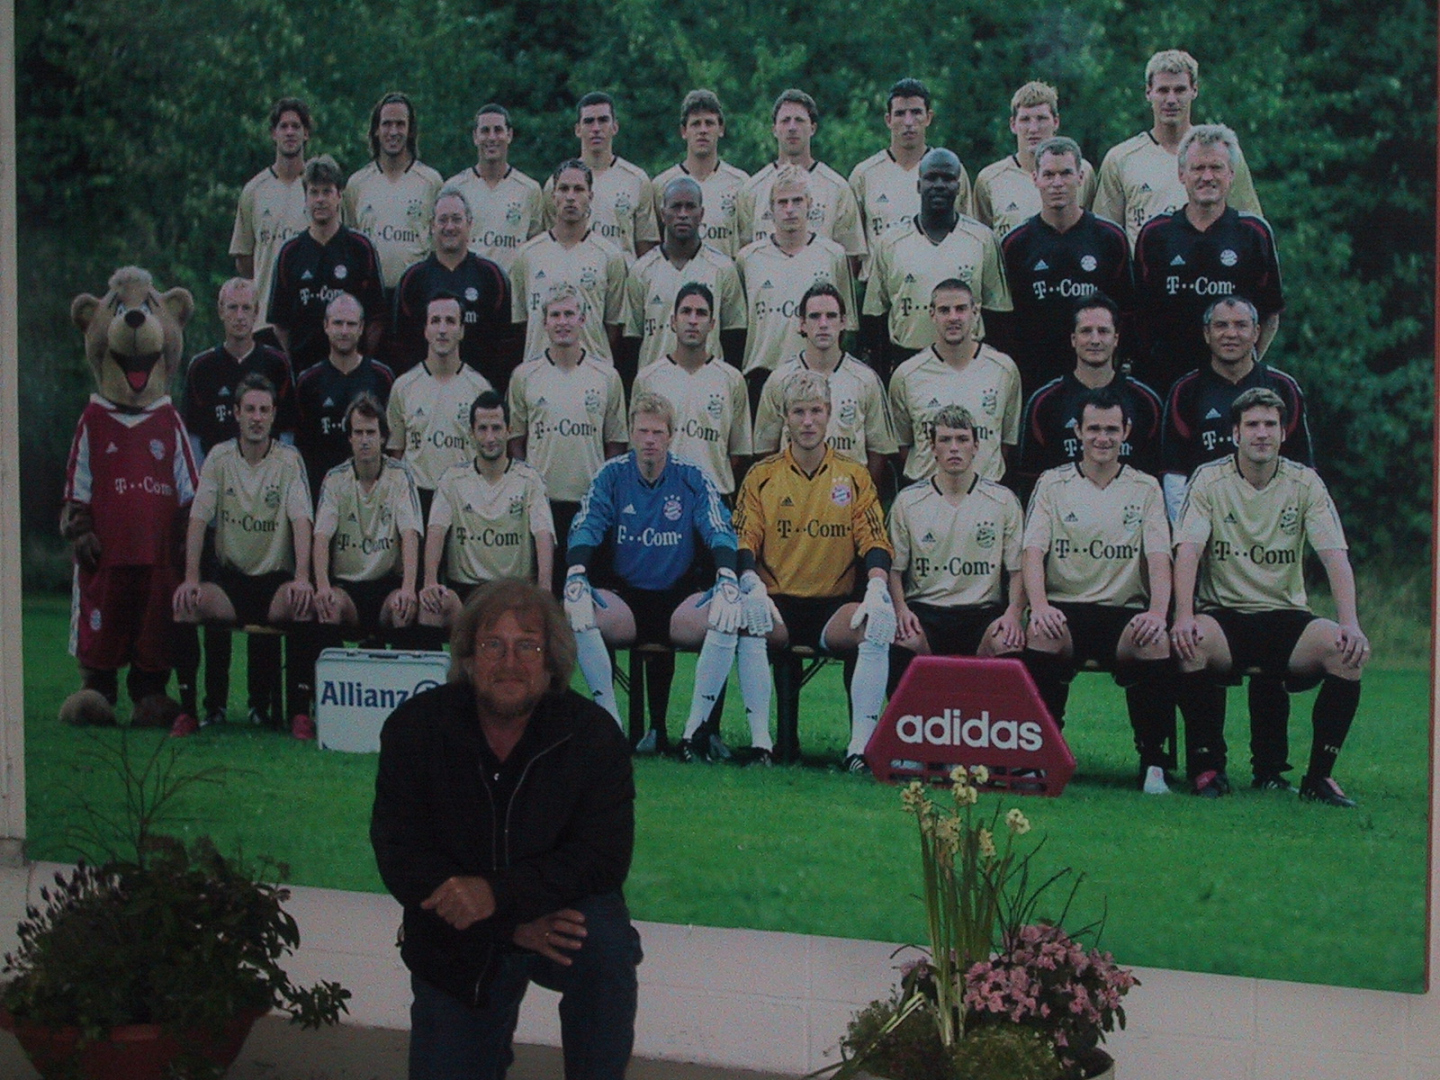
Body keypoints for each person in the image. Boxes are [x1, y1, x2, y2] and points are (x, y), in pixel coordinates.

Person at [371, 578, 640, 1080]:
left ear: (552, 660)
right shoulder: (416, 728)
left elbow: (603, 857)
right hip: (459, 932)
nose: (509, 662)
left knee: (605, 940)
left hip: (552, 916)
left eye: (527, 646)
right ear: (469, 658)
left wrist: (499, 895)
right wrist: (505, 924)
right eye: (493, 645)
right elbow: (400, 854)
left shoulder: (593, 736)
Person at [1170, 388, 1368, 807]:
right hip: (1224, 615)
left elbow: (1335, 557)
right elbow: (1187, 552)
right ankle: (1208, 767)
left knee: (1346, 653)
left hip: (1286, 615)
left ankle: (1319, 777)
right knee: (1191, 642)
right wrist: (1183, 615)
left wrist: (1350, 623)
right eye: (1253, 425)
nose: (1262, 433)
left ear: (1283, 432)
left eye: (1270, 425)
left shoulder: (1305, 482)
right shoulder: (1209, 479)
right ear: (1235, 433)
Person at [1160, 295, 1312, 790]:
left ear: (1256, 331)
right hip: (1204, 535)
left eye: (1241, 325)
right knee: (1198, 643)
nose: (1231, 333)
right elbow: (1173, 473)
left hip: (1268, 537)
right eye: (1221, 325)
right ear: (1207, 334)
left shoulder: (1283, 388)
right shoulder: (1186, 390)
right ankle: (1207, 762)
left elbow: (1303, 470)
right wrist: (1189, 536)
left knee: (1270, 647)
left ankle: (1270, 768)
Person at [563, 392, 749, 756]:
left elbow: (718, 526)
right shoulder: (611, 475)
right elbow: (587, 524)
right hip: (626, 599)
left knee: (726, 614)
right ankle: (609, 726)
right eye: (643, 431)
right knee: (578, 611)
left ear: (670, 435)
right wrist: (576, 573)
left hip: (679, 599)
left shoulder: (692, 476)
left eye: (658, 432)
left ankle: (695, 733)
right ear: (631, 433)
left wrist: (728, 574)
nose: (650, 440)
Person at [732, 370, 896, 771]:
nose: (807, 421)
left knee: (875, 625)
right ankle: (761, 745)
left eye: (816, 411)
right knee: (748, 621)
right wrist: (750, 583)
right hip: (776, 605)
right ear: (785, 417)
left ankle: (859, 750)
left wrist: (877, 588)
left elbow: (874, 538)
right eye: (799, 412)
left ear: (829, 413)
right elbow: (743, 538)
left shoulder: (854, 475)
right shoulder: (762, 476)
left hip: (832, 608)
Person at [1021, 390, 1176, 792]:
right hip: (1066, 608)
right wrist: (1039, 606)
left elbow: (1160, 558)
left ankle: (1153, 763)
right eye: (1094, 429)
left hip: (1123, 612)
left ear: (1126, 431)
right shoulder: (1052, 483)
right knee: (1041, 632)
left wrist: (1158, 613)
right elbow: (1032, 552)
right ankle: (1041, 755)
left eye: (1111, 429)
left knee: (1155, 640)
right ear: (1078, 431)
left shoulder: (1145, 488)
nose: (1102, 438)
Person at [171, 374, 317, 739]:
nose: (256, 418)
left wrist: (303, 577)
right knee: (185, 605)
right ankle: (188, 712)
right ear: (236, 413)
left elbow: (302, 521)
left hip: (274, 582)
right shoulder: (219, 458)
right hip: (230, 583)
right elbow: (198, 520)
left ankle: (300, 713)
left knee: (303, 605)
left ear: (273, 415)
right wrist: (191, 579)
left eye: (264, 410)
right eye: (249, 409)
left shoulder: (288, 460)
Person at [180, 277, 298, 727]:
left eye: (247, 308)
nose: (240, 316)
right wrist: (204, 495)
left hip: (265, 498)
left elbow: (288, 432)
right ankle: (212, 703)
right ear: (220, 311)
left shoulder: (276, 363)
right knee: (218, 602)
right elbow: (192, 437)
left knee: (265, 593)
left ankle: (259, 703)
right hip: (219, 494)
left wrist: (277, 487)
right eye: (232, 308)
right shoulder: (202, 367)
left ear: (256, 312)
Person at [1134, 123, 1284, 397]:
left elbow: (1271, 313)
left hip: (1233, 388)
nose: (1207, 177)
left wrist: (1246, 365)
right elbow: (1138, 314)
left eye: (1216, 168)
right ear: (1181, 174)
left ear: (1231, 174)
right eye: (1198, 168)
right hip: (1165, 384)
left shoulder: (1254, 233)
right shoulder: (1155, 235)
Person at [887, 405, 1025, 687]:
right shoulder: (908, 502)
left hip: (982, 612)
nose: (954, 448)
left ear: (976, 446)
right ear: (932, 448)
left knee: (1008, 641)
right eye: (945, 440)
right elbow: (894, 570)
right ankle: (912, 716)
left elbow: (1018, 571)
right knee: (902, 639)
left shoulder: (1003, 501)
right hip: (925, 609)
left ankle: (990, 716)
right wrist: (900, 610)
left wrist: (1013, 614)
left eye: (962, 439)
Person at [506, 284, 627, 593]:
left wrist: (603, 492)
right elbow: (516, 441)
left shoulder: (607, 377)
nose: (562, 322)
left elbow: (615, 443)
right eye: (555, 315)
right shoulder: (524, 376)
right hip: (542, 506)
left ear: (582, 320)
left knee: (587, 595)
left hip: (589, 505)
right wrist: (529, 487)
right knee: (543, 594)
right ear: (544, 323)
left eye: (569, 314)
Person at [862, 148, 1011, 382]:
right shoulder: (890, 242)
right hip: (907, 363)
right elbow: (876, 316)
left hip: (969, 365)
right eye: (931, 178)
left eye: (948, 178)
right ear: (918, 185)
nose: (939, 185)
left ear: (959, 186)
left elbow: (997, 313)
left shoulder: (982, 239)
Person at [1000, 136, 1133, 399]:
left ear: (1081, 177)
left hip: (1099, 380)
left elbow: (1128, 310)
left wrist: (1125, 361)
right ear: (1035, 178)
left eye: (1066, 173)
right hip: (1035, 377)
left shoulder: (1110, 238)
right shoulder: (1015, 244)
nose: (1057, 183)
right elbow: (1007, 322)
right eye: (1049, 175)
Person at [1092, 49, 1263, 248]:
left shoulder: (1222, 154)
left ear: (1194, 91)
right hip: (1146, 267)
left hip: (1213, 265)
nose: (1171, 100)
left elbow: (1252, 228)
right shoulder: (1121, 158)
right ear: (1148, 93)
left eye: (1180, 90)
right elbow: (1103, 237)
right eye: (1163, 90)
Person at [420, 391, 556, 629]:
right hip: (465, 591)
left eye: (496, 428)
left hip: (513, 591)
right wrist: (430, 581)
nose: (490, 437)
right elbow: (436, 530)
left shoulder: (529, 480)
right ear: (471, 433)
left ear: (509, 430)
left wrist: (545, 588)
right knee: (430, 609)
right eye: (482, 429)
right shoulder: (452, 480)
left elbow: (543, 534)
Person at [753, 282, 896, 489]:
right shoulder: (779, 379)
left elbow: (878, 450)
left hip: (847, 497)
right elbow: (765, 449)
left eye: (831, 316)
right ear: (802, 324)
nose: (823, 324)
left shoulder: (865, 379)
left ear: (843, 322)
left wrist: (861, 494)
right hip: (794, 495)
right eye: (814, 316)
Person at [735, 166, 856, 409]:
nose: (789, 209)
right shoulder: (748, 259)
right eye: (782, 202)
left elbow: (847, 324)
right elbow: (737, 329)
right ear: (771, 208)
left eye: (797, 201)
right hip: (763, 375)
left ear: (810, 204)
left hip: (818, 378)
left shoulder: (833, 255)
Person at [1017, 293, 1163, 486]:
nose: (1095, 340)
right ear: (1073, 339)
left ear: (1116, 338)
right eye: (1086, 331)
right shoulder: (1044, 403)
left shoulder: (1145, 402)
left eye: (1103, 331)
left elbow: (1157, 477)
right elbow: (1029, 479)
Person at [888, 279, 1022, 484]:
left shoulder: (1003, 370)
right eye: (944, 310)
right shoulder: (906, 375)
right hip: (926, 493)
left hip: (986, 492)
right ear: (932, 314)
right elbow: (903, 444)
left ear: (975, 312)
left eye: (961, 309)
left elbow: (1006, 442)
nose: (953, 317)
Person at [313, 393, 422, 635]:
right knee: (328, 607)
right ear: (350, 437)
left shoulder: (400, 476)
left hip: (387, 586)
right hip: (347, 587)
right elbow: (321, 537)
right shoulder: (335, 479)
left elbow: (410, 534)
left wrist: (408, 588)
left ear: (383, 437)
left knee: (402, 608)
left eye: (371, 433)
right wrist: (322, 587)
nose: (364, 440)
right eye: (358, 433)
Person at [390, 186, 519, 387]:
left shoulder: (492, 277)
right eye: (443, 220)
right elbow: (400, 346)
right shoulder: (413, 279)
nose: (449, 227)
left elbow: (506, 345)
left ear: (470, 224)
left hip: (480, 391)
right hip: (425, 390)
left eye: (457, 219)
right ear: (432, 225)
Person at [269, 155, 386, 374]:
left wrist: (364, 363)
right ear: (305, 198)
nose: (320, 199)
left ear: (339, 195)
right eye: (314, 192)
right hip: (305, 371)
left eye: (327, 192)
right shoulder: (290, 253)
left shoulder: (360, 249)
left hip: (352, 372)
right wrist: (294, 366)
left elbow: (376, 318)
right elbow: (280, 323)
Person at [632, 283, 752, 497]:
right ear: (673, 321)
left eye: (701, 313)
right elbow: (637, 448)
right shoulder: (648, 378)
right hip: (659, 496)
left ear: (712, 324)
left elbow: (737, 454)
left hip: (713, 496)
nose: (693, 320)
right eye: (686, 311)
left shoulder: (732, 380)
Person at [624, 176, 746, 376]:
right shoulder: (642, 270)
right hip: (655, 383)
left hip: (708, 381)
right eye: (676, 207)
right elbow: (632, 339)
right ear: (663, 214)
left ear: (701, 214)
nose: (682, 214)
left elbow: (734, 335)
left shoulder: (723, 268)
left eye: (690, 207)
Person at [510, 159, 628, 364]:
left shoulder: (609, 256)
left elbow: (613, 326)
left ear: (590, 197)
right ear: (553, 196)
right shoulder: (527, 254)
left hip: (593, 371)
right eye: (564, 189)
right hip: (540, 371)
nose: (571, 197)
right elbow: (522, 322)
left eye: (579, 189)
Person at [386, 293, 494, 517]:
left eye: (450, 321)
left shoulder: (480, 389)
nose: (442, 329)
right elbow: (396, 453)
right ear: (425, 330)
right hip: (416, 500)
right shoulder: (403, 387)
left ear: (462, 331)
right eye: (435, 321)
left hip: (464, 499)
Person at [737, 89, 867, 269]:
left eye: (799, 120)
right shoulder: (752, 189)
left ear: (812, 128)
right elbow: (743, 255)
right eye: (785, 121)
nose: (792, 127)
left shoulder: (837, 188)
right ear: (774, 129)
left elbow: (849, 260)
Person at [849, 78, 971, 264]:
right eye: (900, 114)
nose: (908, 122)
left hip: (937, 274)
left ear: (928, 117)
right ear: (888, 120)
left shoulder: (950, 171)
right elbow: (853, 251)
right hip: (882, 279)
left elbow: (968, 236)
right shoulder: (864, 175)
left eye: (916, 112)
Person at [293, 292, 396, 497]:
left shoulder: (382, 378)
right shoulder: (308, 382)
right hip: (322, 492)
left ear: (361, 328)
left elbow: (392, 442)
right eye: (338, 323)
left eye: (351, 324)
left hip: (372, 493)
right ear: (326, 325)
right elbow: (302, 447)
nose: (344, 331)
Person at [342, 91, 444, 289]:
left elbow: (439, 247)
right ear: (376, 130)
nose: (393, 131)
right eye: (387, 124)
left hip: (416, 291)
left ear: (410, 130)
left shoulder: (431, 182)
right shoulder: (357, 184)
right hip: (370, 293)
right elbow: (351, 245)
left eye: (400, 124)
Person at [542, 92, 659, 262]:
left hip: (622, 277)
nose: (596, 128)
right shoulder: (557, 184)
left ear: (615, 127)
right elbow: (549, 243)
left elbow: (646, 248)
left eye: (603, 120)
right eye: (589, 121)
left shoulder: (637, 180)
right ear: (578, 129)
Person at [972, 81, 1096, 241]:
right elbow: (981, 241)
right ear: (1013, 125)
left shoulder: (1082, 172)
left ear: (1056, 122)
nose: (1033, 129)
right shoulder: (990, 179)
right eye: (1025, 120)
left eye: (1041, 119)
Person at [230, 97, 312, 334]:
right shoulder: (254, 190)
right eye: (283, 126)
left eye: (296, 126)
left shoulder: (320, 189)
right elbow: (244, 259)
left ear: (306, 133)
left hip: (311, 320)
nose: (290, 132)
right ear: (273, 134)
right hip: (265, 320)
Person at [444, 103, 544, 272]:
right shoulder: (454, 188)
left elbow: (536, 248)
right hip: (467, 283)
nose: (491, 137)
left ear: (509, 135)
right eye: (485, 131)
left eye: (498, 130)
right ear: (475, 137)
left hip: (510, 285)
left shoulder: (529, 189)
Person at [652, 90, 750, 258]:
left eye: (709, 123)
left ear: (721, 129)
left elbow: (747, 245)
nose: (703, 130)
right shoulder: (662, 184)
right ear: (684, 131)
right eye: (696, 124)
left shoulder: (741, 182)